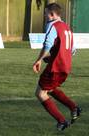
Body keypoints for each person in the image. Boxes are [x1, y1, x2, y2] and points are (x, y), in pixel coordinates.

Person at [33, 3, 81, 131]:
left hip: (56, 67)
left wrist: (39, 60)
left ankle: (62, 121)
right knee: (50, 88)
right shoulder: (67, 27)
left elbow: (47, 45)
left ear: (52, 14)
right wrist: (54, 56)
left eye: (46, 13)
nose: (44, 15)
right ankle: (73, 107)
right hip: (65, 67)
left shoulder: (52, 25)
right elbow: (72, 50)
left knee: (40, 93)